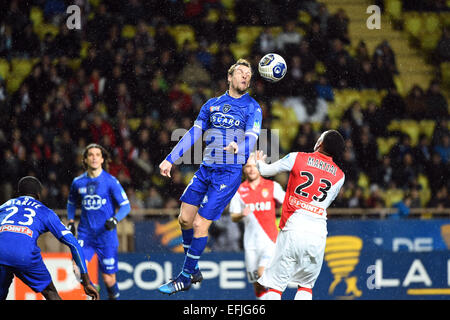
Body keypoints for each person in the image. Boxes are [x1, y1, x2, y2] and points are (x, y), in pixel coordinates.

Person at [158, 58, 262, 295]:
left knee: (199, 223)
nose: (246, 76)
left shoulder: (252, 108)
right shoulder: (212, 105)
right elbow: (192, 134)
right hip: (206, 168)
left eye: (249, 74)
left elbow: (252, 138)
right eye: (241, 72)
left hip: (228, 173)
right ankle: (193, 268)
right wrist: (171, 158)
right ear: (230, 77)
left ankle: (184, 277)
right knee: (184, 219)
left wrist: (241, 148)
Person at [255, 130, 346, 300]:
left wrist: (259, 163)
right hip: (317, 234)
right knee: (306, 286)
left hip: (293, 229)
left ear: (320, 143)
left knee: (276, 286)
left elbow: (266, 172)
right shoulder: (340, 176)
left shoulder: (297, 157)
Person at [0, 176, 99, 300]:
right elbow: (74, 244)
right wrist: (86, 282)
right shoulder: (44, 211)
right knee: (50, 293)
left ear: (18, 193)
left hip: (1, 252)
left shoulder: (5, 205)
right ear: (39, 195)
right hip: (24, 255)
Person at [67, 143, 131, 300]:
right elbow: (71, 202)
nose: (94, 157)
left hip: (106, 236)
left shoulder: (110, 181)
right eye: (90, 155)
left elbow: (126, 206)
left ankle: (112, 296)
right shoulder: (77, 182)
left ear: (102, 159)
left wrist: (115, 220)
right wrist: (70, 220)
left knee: (109, 279)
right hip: (85, 235)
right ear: (85, 159)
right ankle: (93, 290)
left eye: (97, 155)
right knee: (76, 269)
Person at [229, 153, 285, 299]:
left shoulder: (272, 186)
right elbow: (233, 217)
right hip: (251, 244)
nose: (252, 169)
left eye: (254, 166)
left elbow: (287, 204)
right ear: (244, 170)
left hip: (270, 241)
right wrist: (242, 214)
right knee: (257, 283)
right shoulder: (239, 191)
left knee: (262, 274)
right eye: (248, 166)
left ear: (260, 167)